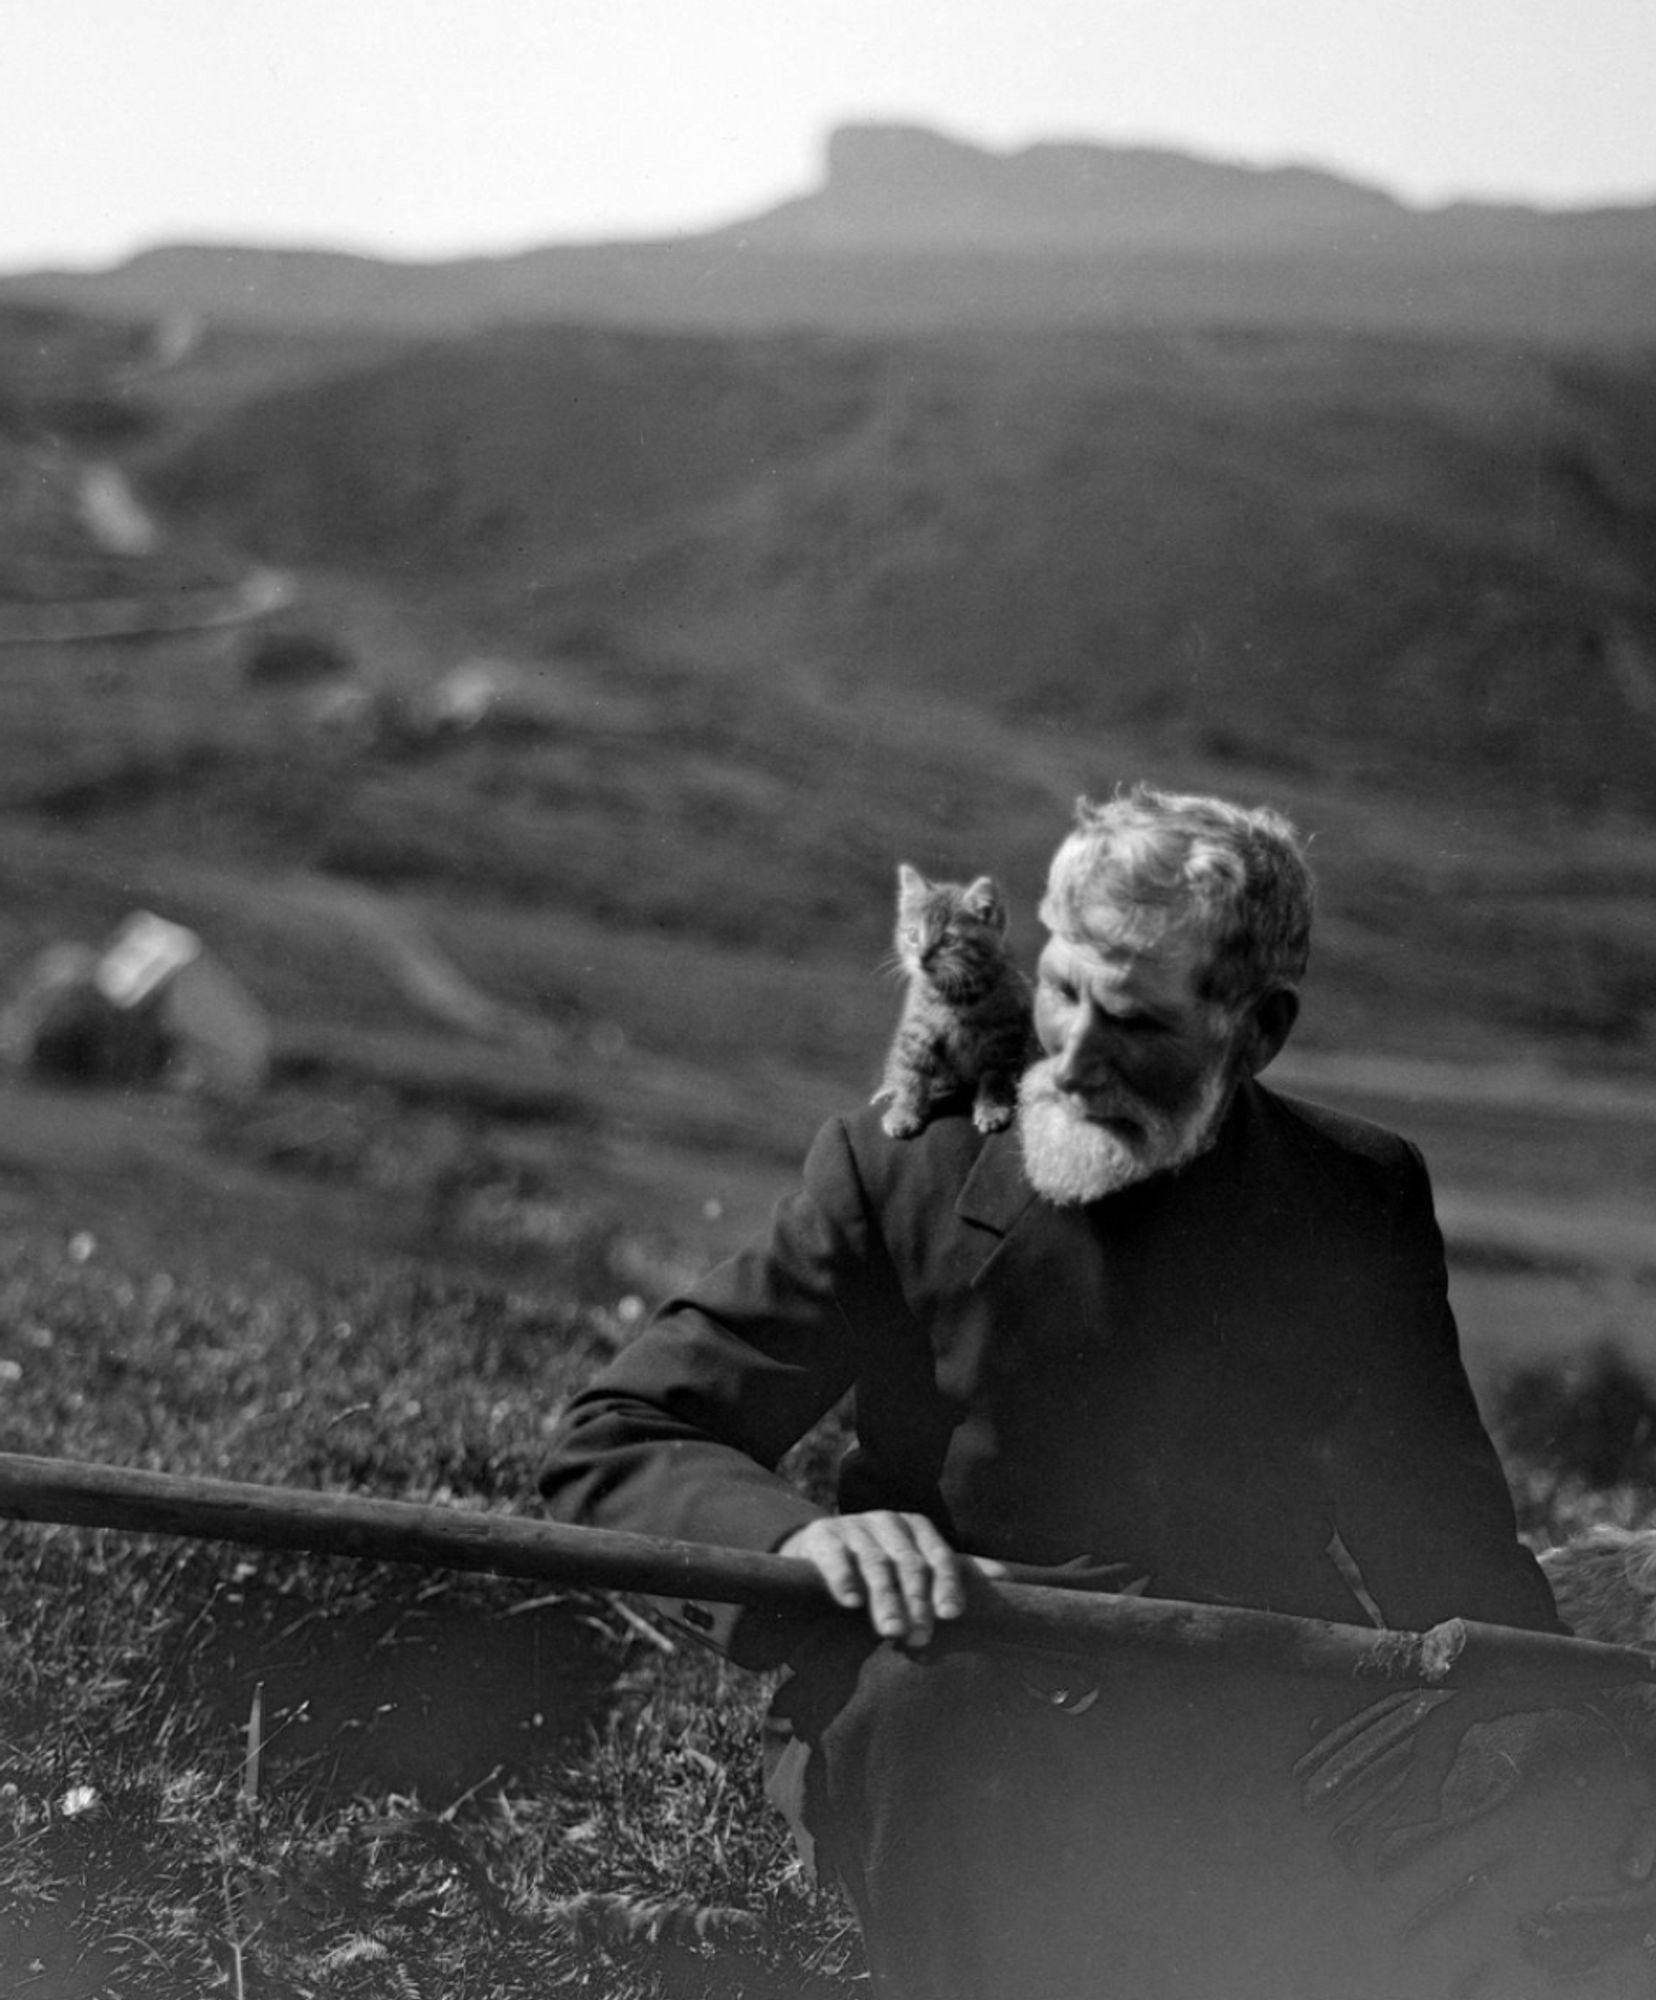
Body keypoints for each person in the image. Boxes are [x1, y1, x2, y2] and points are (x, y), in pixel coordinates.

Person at [539, 785, 1564, 1998]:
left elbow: (1438, 1537)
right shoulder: (899, 1168)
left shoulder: (1357, 1198)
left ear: (1259, 1029)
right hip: (940, 1715)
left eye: (1132, 1021)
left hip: (1235, 1734)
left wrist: (1559, 1722)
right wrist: (805, 1536)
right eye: (1062, 990)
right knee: (949, 1739)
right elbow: (620, 1433)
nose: (1069, 1057)